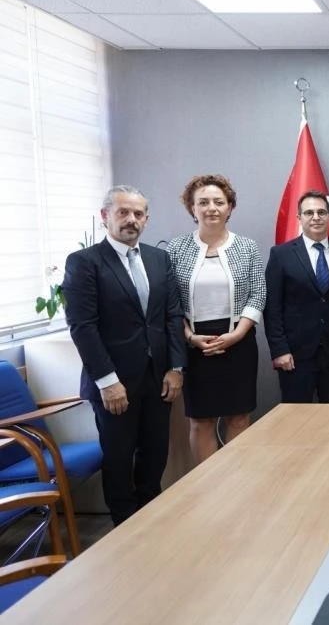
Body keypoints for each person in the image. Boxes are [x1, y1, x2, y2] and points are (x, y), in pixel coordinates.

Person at [62, 186, 185, 525]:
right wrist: (107, 382)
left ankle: (151, 522)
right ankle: (123, 530)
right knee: (118, 460)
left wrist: (176, 367)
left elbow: (173, 315)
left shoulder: (159, 259)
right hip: (114, 384)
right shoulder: (85, 263)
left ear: (146, 219)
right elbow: (83, 327)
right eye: (123, 212)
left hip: (158, 379)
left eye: (138, 214)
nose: (131, 220)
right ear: (105, 216)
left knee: (155, 455)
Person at [166, 174, 265, 464]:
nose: (212, 208)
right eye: (203, 202)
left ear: (230, 207)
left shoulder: (247, 247)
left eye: (219, 202)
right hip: (195, 343)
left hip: (238, 340)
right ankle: (207, 484)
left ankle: (235, 481)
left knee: (239, 418)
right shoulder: (176, 248)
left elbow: (258, 294)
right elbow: (170, 302)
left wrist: (237, 334)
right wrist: (189, 337)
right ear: (192, 208)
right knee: (201, 421)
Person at [264, 191, 329, 402]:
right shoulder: (281, 255)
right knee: (296, 416)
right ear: (299, 218)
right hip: (295, 356)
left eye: (321, 212)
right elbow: (272, 308)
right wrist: (279, 350)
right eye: (309, 213)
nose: (316, 217)